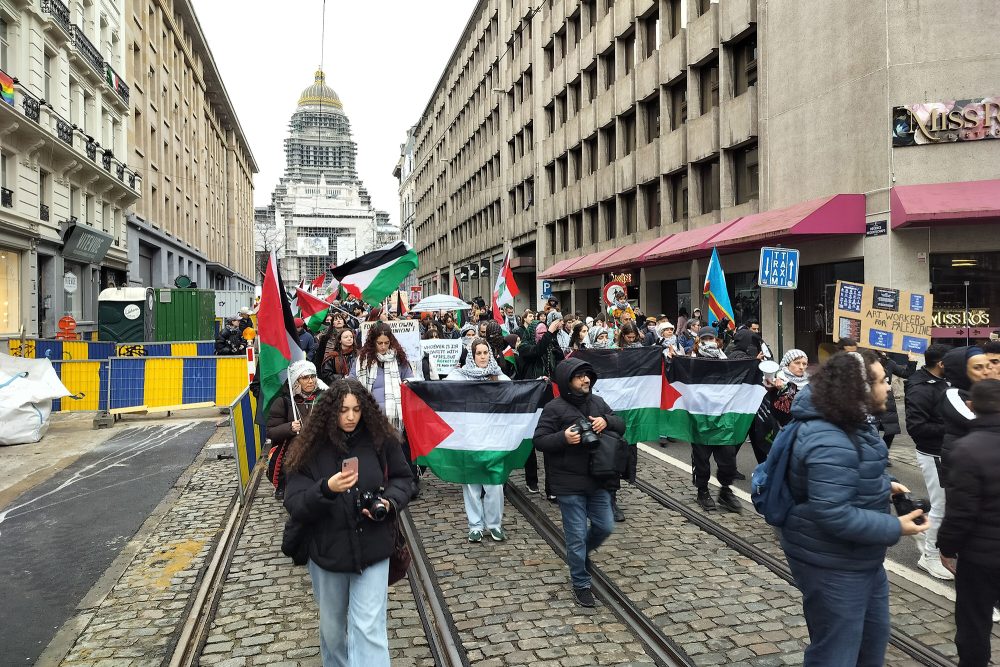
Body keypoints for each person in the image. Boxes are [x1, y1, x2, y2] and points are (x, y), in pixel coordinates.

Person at [781, 351, 928, 666]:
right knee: (836, 653)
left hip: (861, 558)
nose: (888, 388)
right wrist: (896, 527)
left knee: (870, 644)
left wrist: (882, 484)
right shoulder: (827, 437)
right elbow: (833, 512)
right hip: (831, 563)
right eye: (882, 381)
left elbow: (848, 470)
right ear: (858, 389)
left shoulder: (850, 421)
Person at [283, 379, 414, 667]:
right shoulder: (309, 448)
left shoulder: (381, 439)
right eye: (344, 410)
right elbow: (295, 502)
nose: (351, 417)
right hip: (328, 551)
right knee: (332, 630)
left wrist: (388, 503)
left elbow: (404, 480)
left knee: (369, 627)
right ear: (330, 412)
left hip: (374, 547)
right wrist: (326, 488)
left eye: (357, 409)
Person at [532, 357, 625, 607]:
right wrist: (563, 438)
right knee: (575, 538)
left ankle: (580, 554)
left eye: (587, 376)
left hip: (598, 478)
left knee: (604, 526)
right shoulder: (554, 408)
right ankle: (581, 583)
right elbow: (539, 441)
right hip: (568, 483)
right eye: (579, 376)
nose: (586, 380)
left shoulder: (598, 402)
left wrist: (607, 421)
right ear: (567, 381)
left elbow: (621, 424)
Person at [937, 379, 1000, 665]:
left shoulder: (967, 449)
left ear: (972, 407)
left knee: (974, 625)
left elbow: (960, 512)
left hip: (980, 558)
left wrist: (946, 547)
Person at [447, 338, 511, 542]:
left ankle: (494, 524)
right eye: (479, 353)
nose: (482, 357)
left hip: (493, 440)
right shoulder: (459, 376)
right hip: (469, 439)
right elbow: (438, 390)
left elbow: (517, 392)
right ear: (472, 356)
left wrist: (538, 383)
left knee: (495, 485)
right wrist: (413, 386)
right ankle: (475, 525)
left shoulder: (499, 376)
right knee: (472, 485)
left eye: (485, 353)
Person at [903, 343, 954, 580]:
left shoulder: (945, 382)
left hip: (946, 452)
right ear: (942, 364)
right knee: (941, 504)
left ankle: (924, 525)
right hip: (933, 453)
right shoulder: (920, 387)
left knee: (946, 504)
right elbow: (917, 427)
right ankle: (930, 556)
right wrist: (953, 426)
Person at [689, 326, 740, 512]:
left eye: (712, 337)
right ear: (699, 340)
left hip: (722, 416)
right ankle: (702, 490)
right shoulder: (691, 360)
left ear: (717, 340)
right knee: (702, 458)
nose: (709, 341)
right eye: (705, 338)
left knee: (728, 458)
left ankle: (725, 490)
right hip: (700, 417)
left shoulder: (724, 359)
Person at [267, 360, 328, 499]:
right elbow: (271, 431)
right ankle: (286, 485)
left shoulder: (325, 397)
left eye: (312, 376)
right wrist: (289, 428)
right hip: (293, 444)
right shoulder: (284, 401)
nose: (310, 381)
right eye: (305, 378)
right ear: (296, 381)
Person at [939, 346, 995, 488]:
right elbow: (974, 422)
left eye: (988, 366)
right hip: (962, 465)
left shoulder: (985, 391)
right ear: (962, 371)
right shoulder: (953, 394)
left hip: (986, 461)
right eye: (978, 368)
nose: (986, 372)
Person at [350, 322, 414, 432]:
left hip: (395, 418)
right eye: (379, 343)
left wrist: (407, 383)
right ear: (373, 342)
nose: (383, 346)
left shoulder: (399, 359)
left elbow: (410, 380)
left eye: (386, 343)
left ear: (391, 342)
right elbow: (352, 380)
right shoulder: (362, 360)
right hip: (370, 415)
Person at [873, 350, 917, 455]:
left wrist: (911, 361)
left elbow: (907, 374)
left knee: (891, 431)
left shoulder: (889, 362)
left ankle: (883, 453)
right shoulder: (866, 359)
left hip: (887, 402)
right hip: (871, 400)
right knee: (873, 430)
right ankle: (873, 454)